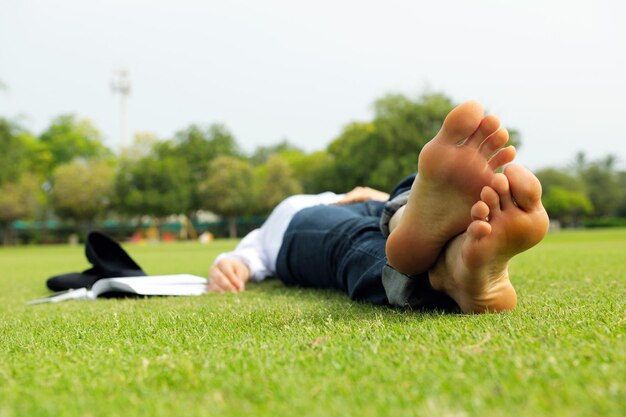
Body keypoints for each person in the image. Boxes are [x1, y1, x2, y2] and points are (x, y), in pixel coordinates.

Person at [208, 101, 550, 313]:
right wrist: (230, 263)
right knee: (353, 239)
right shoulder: (266, 231)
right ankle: (447, 263)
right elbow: (241, 260)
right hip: (296, 226)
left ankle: (424, 235)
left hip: (371, 205)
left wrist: (379, 199)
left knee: (402, 197)